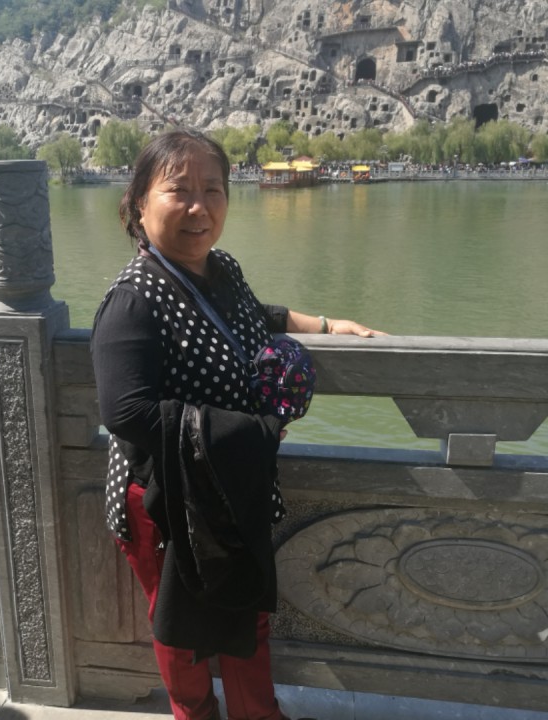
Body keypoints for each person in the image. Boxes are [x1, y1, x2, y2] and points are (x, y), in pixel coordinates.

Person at [91, 129, 384, 720]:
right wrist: (252, 434)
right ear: (139, 204)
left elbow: (256, 314)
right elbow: (125, 412)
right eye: (179, 190)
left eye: (213, 190)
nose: (199, 207)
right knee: (183, 631)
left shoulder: (221, 268)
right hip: (165, 500)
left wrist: (327, 325)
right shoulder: (133, 299)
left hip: (229, 488)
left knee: (247, 612)